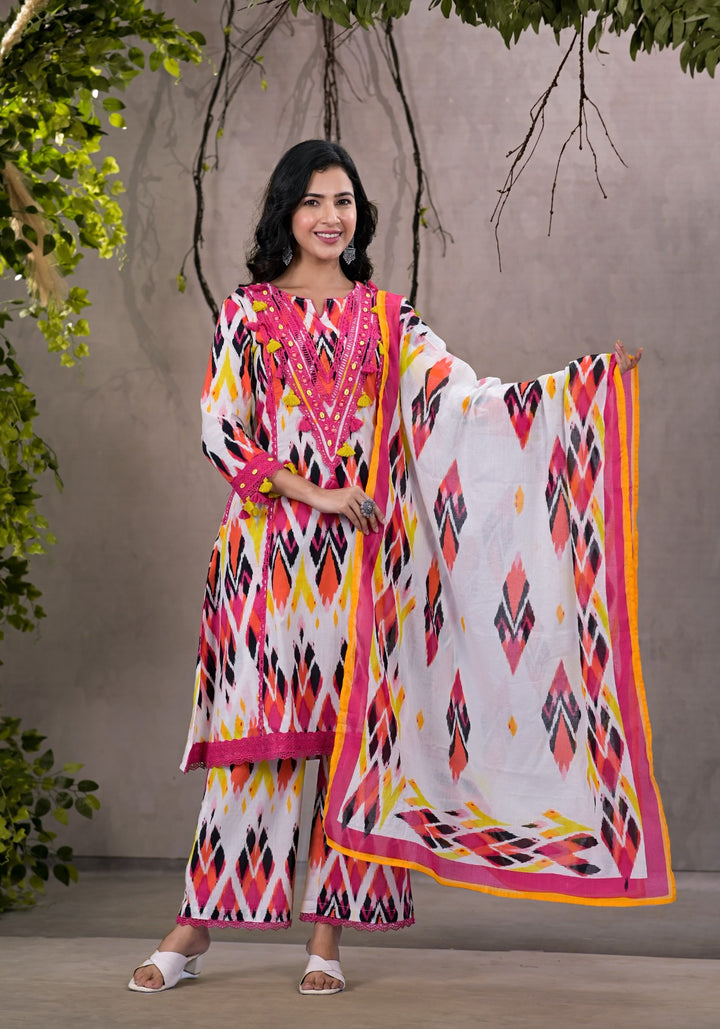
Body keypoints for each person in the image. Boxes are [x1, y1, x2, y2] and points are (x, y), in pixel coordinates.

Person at [129, 139, 655, 997]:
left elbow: (467, 400)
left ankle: (326, 941)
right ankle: (194, 929)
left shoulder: (387, 319)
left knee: (355, 749)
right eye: (313, 201)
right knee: (257, 749)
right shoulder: (247, 314)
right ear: (286, 212)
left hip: (363, 574)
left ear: (359, 215)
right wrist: (318, 493)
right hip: (265, 566)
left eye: (343, 201)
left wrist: (582, 386)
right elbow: (222, 431)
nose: (330, 216)